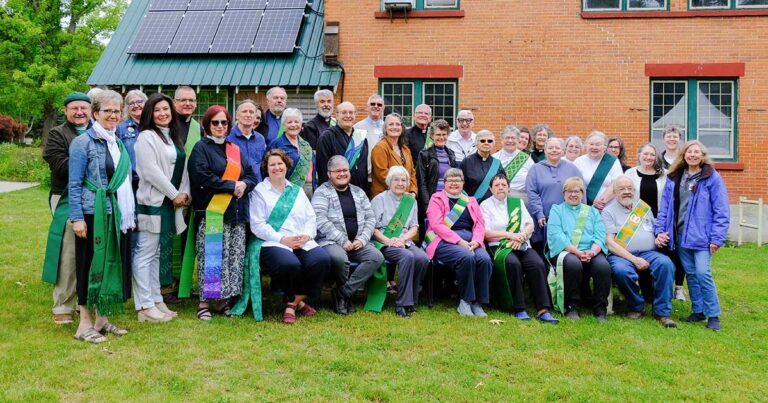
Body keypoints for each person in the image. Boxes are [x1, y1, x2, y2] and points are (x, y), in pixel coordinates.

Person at [68, 89, 135, 343]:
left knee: (110, 265)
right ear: (95, 113)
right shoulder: (83, 142)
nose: (113, 115)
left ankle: (102, 320)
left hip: (117, 214)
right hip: (92, 213)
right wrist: (77, 218)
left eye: (117, 111)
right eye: (107, 111)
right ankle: (83, 325)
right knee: (88, 266)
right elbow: (74, 184)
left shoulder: (116, 142)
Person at [188, 105, 258, 321]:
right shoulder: (201, 148)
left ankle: (223, 300)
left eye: (224, 122)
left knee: (232, 257)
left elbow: (250, 175)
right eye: (215, 122)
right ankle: (204, 302)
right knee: (212, 256)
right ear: (207, 125)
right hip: (213, 212)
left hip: (236, 213)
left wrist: (244, 185)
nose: (220, 126)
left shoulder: (234, 149)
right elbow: (201, 176)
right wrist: (231, 186)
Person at [244, 149, 330, 324]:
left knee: (322, 260)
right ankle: (298, 303)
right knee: (289, 264)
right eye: (272, 165)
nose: (277, 167)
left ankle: (292, 303)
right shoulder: (259, 192)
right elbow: (258, 225)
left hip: (301, 240)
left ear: (286, 166)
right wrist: (283, 240)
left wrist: (306, 236)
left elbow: (310, 217)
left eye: (280, 163)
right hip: (273, 242)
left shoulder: (296, 191)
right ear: (266, 169)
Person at [655, 141, 729, 331]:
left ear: (702, 156)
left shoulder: (712, 178)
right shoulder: (674, 177)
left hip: (702, 237)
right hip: (680, 236)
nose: (693, 155)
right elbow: (665, 209)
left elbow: (721, 210)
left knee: (703, 273)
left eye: (697, 152)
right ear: (684, 155)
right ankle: (698, 310)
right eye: (690, 152)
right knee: (692, 275)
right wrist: (660, 230)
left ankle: (714, 315)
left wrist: (717, 238)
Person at [133, 93, 190, 322]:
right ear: (149, 113)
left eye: (166, 109)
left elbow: (182, 168)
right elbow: (150, 171)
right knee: (145, 254)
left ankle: (157, 300)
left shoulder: (172, 136)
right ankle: (144, 306)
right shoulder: (146, 137)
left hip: (170, 204)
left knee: (156, 254)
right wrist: (174, 194)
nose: (163, 113)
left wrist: (184, 192)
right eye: (157, 110)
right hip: (153, 204)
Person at [42, 91, 92, 325]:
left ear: (91, 110)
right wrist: (94, 165)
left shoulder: (98, 131)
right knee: (70, 251)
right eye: (74, 108)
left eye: (84, 108)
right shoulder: (57, 134)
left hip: (96, 198)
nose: (79, 112)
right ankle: (63, 304)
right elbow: (61, 166)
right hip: (65, 197)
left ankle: (90, 299)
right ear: (66, 111)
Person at [481, 174, 558, 324]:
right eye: (497, 185)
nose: (501, 188)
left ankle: (543, 309)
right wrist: (511, 235)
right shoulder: (485, 205)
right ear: (491, 189)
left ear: (509, 188)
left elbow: (530, 224)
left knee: (537, 264)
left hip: (521, 244)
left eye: (504, 185)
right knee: (513, 264)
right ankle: (519, 308)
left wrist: (522, 236)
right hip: (500, 246)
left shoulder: (517, 203)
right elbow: (486, 233)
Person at [313, 156, 384, 315]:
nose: (342, 174)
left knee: (376, 257)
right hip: (331, 241)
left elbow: (370, 218)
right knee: (339, 259)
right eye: (337, 171)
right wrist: (343, 240)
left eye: (345, 170)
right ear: (329, 173)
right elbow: (320, 220)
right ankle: (346, 297)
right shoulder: (322, 192)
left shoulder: (358, 192)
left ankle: (343, 293)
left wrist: (362, 238)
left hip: (358, 241)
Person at [602, 176, 677, 327]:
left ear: (634, 191)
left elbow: (653, 229)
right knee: (622, 271)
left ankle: (662, 312)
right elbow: (610, 243)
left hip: (649, 252)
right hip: (621, 255)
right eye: (622, 189)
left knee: (666, 264)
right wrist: (634, 259)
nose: (626, 192)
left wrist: (659, 237)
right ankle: (637, 306)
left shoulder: (642, 208)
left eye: (630, 188)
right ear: (615, 192)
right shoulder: (608, 212)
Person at [424, 168, 492, 317]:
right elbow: (436, 225)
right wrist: (459, 241)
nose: (454, 183)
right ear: (444, 183)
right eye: (450, 180)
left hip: (470, 241)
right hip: (443, 240)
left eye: (457, 180)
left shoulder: (471, 201)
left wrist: (476, 241)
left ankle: (478, 303)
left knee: (484, 259)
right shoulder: (436, 199)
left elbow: (480, 224)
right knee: (466, 257)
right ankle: (465, 301)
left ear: (463, 183)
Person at [547, 177, 610, 322]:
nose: (573, 194)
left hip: (590, 251)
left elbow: (600, 235)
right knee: (573, 264)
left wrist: (592, 252)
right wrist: (577, 252)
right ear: (564, 193)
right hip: (567, 251)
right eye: (569, 191)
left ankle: (600, 309)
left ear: (582, 194)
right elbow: (557, 236)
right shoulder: (557, 210)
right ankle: (571, 306)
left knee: (603, 267)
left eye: (577, 191)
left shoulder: (592, 212)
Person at [370, 166, 429, 317]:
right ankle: (402, 304)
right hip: (384, 241)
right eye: (396, 180)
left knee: (422, 258)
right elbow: (373, 229)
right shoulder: (379, 200)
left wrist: (402, 239)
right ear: (389, 182)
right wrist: (389, 241)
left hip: (404, 241)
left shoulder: (411, 201)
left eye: (404, 180)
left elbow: (414, 226)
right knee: (407, 257)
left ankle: (412, 298)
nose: (400, 183)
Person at [525, 137, 583, 258]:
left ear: (563, 151)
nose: (554, 150)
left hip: (567, 218)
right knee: (543, 252)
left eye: (557, 148)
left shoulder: (572, 168)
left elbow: (581, 192)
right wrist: (539, 213)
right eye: (550, 148)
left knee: (565, 250)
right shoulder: (535, 169)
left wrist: (580, 215)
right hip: (543, 219)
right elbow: (532, 193)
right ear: (545, 150)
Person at [416, 119, 458, 240]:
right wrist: (427, 203)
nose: (441, 137)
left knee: (447, 230)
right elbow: (422, 180)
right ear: (432, 136)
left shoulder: (451, 154)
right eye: (438, 134)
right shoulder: (424, 154)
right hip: (432, 199)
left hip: (448, 199)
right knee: (431, 230)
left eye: (444, 134)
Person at [316, 102, 368, 191]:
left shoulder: (362, 139)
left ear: (355, 115)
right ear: (336, 116)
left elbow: (364, 169)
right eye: (344, 112)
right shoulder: (327, 137)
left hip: (359, 192)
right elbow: (323, 170)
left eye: (351, 113)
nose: (348, 116)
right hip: (335, 191)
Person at [268, 108, 315, 197]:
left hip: (308, 190)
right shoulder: (276, 144)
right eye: (289, 122)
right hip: (285, 190)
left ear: (301, 124)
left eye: (296, 122)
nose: (293, 125)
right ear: (283, 125)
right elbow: (266, 169)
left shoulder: (306, 145)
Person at [370, 113, 417, 198]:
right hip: (385, 198)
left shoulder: (405, 149)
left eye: (398, 124)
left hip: (406, 197)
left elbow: (412, 173)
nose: (394, 127)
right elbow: (382, 174)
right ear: (385, 128)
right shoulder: (380, 147)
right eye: (391, 124)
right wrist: (401, 191)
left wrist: (413, 191)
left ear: (402, 128)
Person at [573, 130, 623, 210]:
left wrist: (601, 201)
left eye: (598, 144)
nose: (594, 147)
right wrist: (592, 201)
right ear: (586, 145)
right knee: (583, 223)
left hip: (607, 207)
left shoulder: (613, 161)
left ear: (605, 147)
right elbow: (574, 185)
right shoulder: (579, 161)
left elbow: (618, 183)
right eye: (591, 144)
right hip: (584, 207)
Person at [227, 99, 266, 182]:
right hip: (235, 186)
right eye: (244, 111)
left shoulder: (260, 139)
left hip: (257, 186)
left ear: (255, 116)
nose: (248, 115)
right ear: (237, 115)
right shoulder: (227, 137)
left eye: (251, 112)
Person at [492, 125, 534, 202]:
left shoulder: (527, 159)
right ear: (501, 140)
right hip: (497, 198)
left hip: (521, 200)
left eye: (513, 138)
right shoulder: (493, 158)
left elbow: (534, 181)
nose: (510, 141)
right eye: (507, 138)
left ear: (518, 140)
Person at [461, 130, 505, 203]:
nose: (486, 143)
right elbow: (461, 187)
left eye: (490, 141)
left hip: (493, 206)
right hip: (473, 206)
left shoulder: (497, 163)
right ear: (476, 143)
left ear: (493, 144)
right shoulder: (467, 162)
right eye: (482, 141)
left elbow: (503, 185)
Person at [116, 89, 147, 190]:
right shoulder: (120, 129)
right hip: (133, 182)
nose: (135, 105)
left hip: (155, 181)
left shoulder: (154, 126)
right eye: (131, 103)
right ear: (127, 108)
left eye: (139, 102)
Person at [354, 94, 385, 186]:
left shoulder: (387, 127)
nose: (376, 106)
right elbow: (355, 153)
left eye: (379, 105)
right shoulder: (358, 127)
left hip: (382, 176)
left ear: (383, 108)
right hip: (365, 176)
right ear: (367, 107)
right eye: (372, 104)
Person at [173, 86, 203, 155]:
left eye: (191, 100)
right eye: (183, 100)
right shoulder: (167, 124)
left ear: (196, 103)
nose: (187, 104)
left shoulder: (199, 129)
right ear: (174, 102)